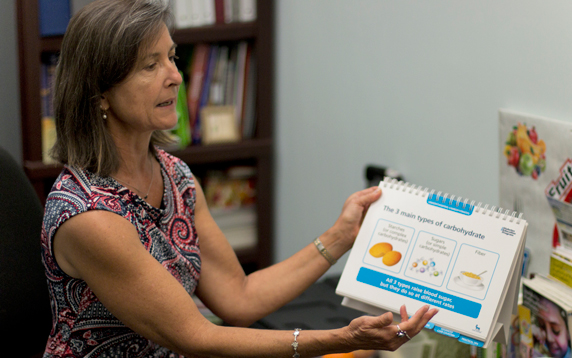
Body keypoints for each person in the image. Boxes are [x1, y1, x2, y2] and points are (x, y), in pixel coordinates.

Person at [41, 1, 438, 357]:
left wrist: (341, 236)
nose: (175, 76)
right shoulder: (90, 217)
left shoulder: (175, 176)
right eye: (150, 65)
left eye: (172, 58)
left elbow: (238, 297)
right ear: (101, 94)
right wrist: (341, 340)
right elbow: (195, 337)